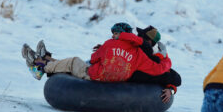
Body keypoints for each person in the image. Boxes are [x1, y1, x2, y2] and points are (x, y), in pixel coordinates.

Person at [21, 22, 172, 90]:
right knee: (78, 65)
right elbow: (158, 69)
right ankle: (45, 59)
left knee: (75, 62)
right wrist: (166, 58)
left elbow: (93, 60)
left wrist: (105, 51)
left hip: (99, 77)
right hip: (119, 79)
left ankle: (40, 67)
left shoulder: (110, 43)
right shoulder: (140, 54)